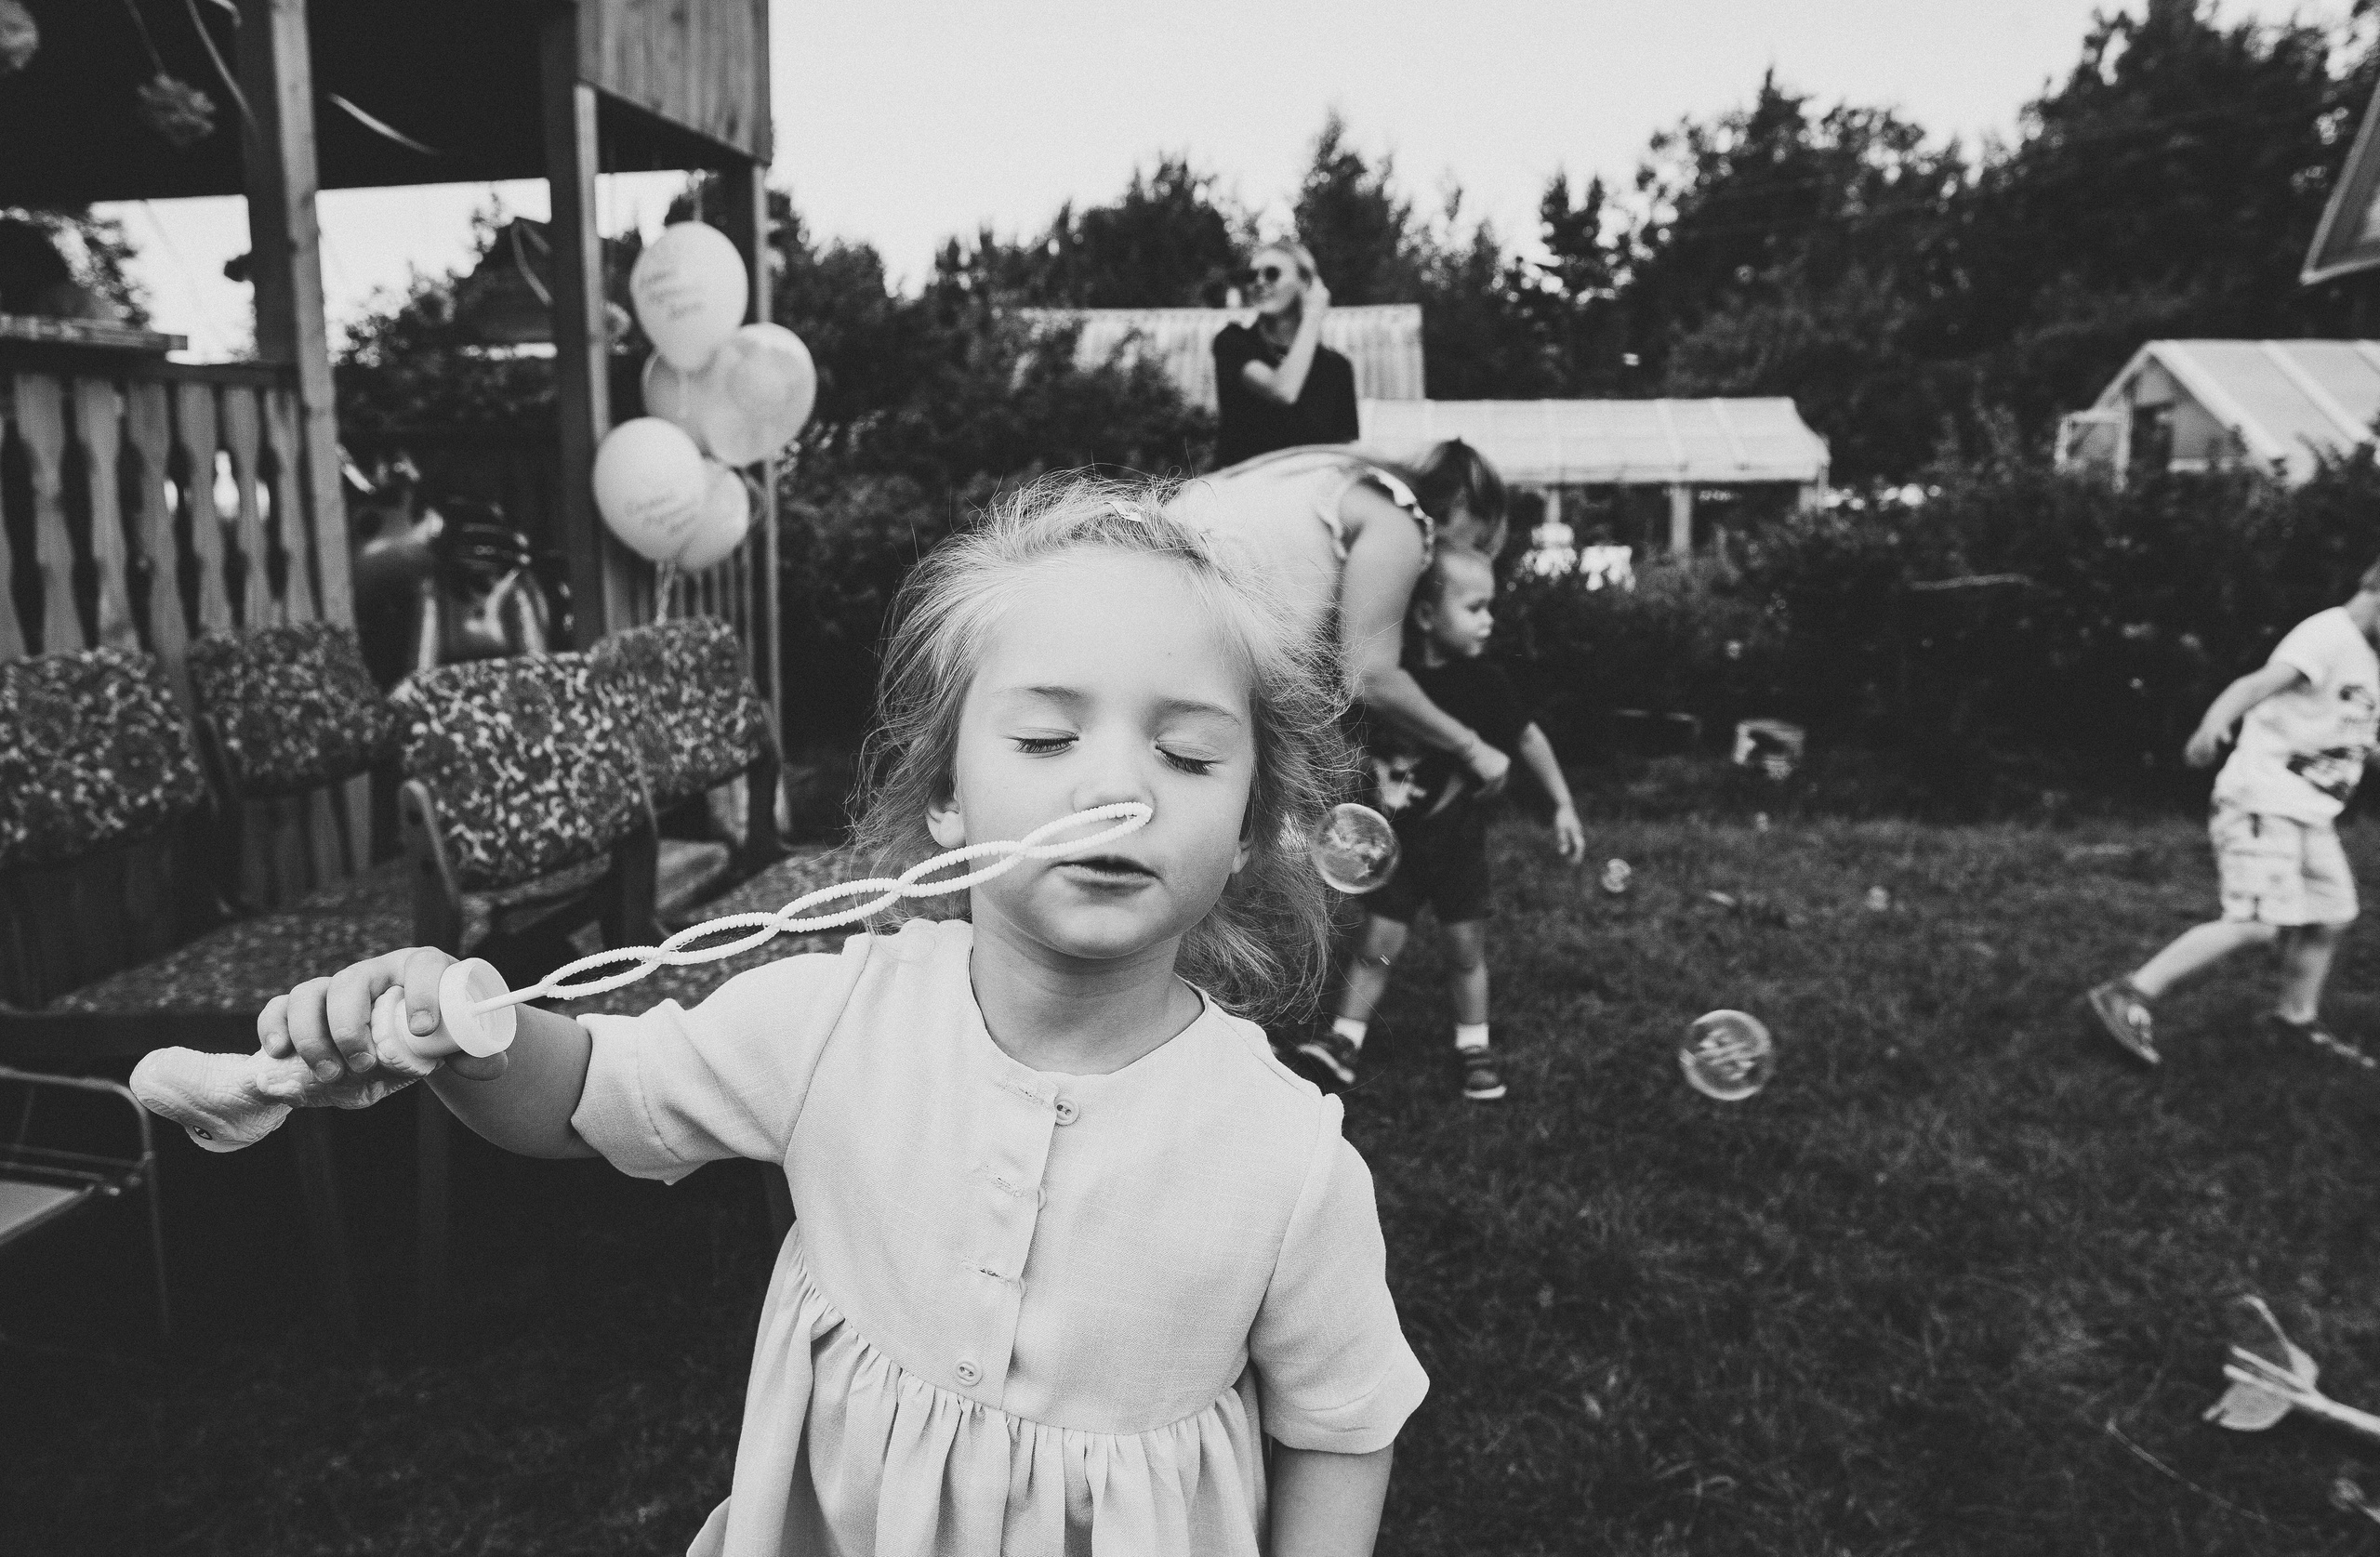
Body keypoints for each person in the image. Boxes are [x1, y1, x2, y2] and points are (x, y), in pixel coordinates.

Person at [242, 481, 1426, 1556]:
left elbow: (1339, 1424)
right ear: (951, 799)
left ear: (1247, 837)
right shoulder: (834, 1020)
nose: (1114, 789)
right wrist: (464, 1027)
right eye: (1047, 737)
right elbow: (582, 1094)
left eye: (1184, 752)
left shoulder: (1287, 1160)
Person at [1293, 546, 1586, 1099]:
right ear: (1427, 617)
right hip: (1388, 850)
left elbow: (1527, 737)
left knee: (1465, 950)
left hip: (1455, 846)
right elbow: (1344, 737)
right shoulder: (1388, 679)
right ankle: (1344, 1042)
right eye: (1476, 607)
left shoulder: (1485, 683)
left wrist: (1562, 804)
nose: (1490, 620)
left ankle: (1473, 1043)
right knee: (1376, 945)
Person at [2087, 561, 2380, 1068]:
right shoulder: (2327, 635)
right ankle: (2128, 993)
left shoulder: (2370, 659)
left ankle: (2294, 1021)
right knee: (2258, 922)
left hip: (2309, 811)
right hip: (2263, 798)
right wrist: (2212, 725)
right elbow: (2256, 684)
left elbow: (2354, 737)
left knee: (2330, 914)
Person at [1170, 438, 1517, 805]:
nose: (1467, 560)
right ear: (1461, 506)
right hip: (1188, 621)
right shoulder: (1397, 522)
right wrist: (1473, 748)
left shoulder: (1335, 471)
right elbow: (1370, 677)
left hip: (1155, 589)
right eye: (1477, 543)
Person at [1211, 240, 1359, 468]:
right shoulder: (1233, 341)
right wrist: (1312, 316)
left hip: (1310, 490)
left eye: (1272, 273)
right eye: (1251, 276)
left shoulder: (1336, 367)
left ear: (1307, 284)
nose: (1259, 282)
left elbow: (1347, 451)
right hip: (1242, 487)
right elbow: (1283, 391)